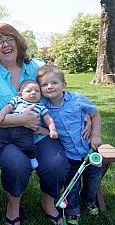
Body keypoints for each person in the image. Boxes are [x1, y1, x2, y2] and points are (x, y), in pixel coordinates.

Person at [0, 23, 71, 225]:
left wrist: (85, 113)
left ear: (18, 42)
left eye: (9, 39)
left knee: (56, 164)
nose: (5, 45)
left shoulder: (37, 68)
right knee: (15, 164)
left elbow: (57, 92)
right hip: (8, 138)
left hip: (39, 134)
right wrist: (21, 120)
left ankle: (48, 201)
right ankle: (13, 206)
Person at [37, 64, 103, 225]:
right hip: (69, 154)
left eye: (54, 83)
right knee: (72, 183)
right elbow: (38, 127)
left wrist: (95, 135)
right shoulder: (44, 109)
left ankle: (89, 201)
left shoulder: (77, 99)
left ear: (64, 84)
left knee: (93, 180)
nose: (49, 87)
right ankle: (73, 210)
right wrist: (50, 133)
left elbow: (94, 114)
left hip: (89, 150)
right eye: (44, 85)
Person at [0, 79, 58, 169]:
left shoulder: (40, 106)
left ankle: (32, 158)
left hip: (26, 131)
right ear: (20, 94)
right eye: (28, 91)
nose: (33, 93)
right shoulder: (17, 100)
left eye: (37, 91)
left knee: (28, 145)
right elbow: (8, 107)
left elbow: (48, 118)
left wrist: (52, 130)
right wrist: (1, 114)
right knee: (0, 137)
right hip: (10, 127)